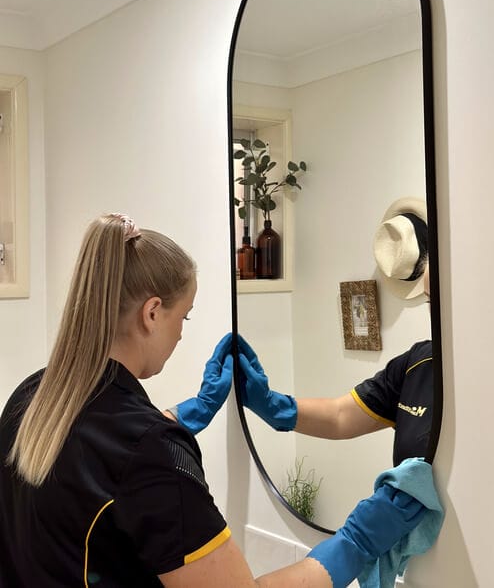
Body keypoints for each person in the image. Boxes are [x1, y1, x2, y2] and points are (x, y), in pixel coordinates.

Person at [0, 213, 426, 587]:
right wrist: (354, 542)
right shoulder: (150, 450)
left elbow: (101, 460)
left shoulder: (34, 396)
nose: (183, 332)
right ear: (151, 313)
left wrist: (203, 411)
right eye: (184, 315)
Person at [237, 198, 433, 468]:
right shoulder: (418, 363)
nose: (435, 316)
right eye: (429, 302)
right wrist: (271, 405)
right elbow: (340, 416)